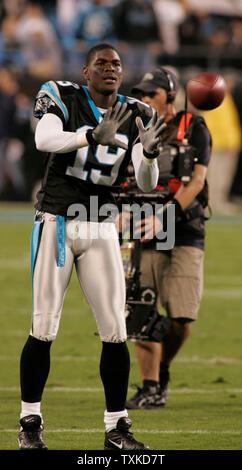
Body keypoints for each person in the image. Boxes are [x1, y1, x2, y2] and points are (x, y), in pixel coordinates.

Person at [17, 42, 166, 450]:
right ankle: (30, 422)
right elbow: (44, 140)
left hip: (101, 224)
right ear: (85, 71)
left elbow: (147, 181)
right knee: (44, 325)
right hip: (57, 222)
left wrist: (150, 155)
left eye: (116, 64)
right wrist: (88, 135)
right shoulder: (62, 95)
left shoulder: (139, 113)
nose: (110, 69)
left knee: (115, 330)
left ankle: (116, 428)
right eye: (101, 64)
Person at [123, 66, 212, 409]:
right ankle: (150, 386)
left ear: (171, 96)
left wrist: (166, 216)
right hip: (142, 227)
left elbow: (197, 181)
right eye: (141, 94)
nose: (144, 99)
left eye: (151, 93)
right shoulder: (134, 129)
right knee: (142, 309)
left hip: (183, 227)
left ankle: (161, 368)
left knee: (182, 317)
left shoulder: (194, 126)